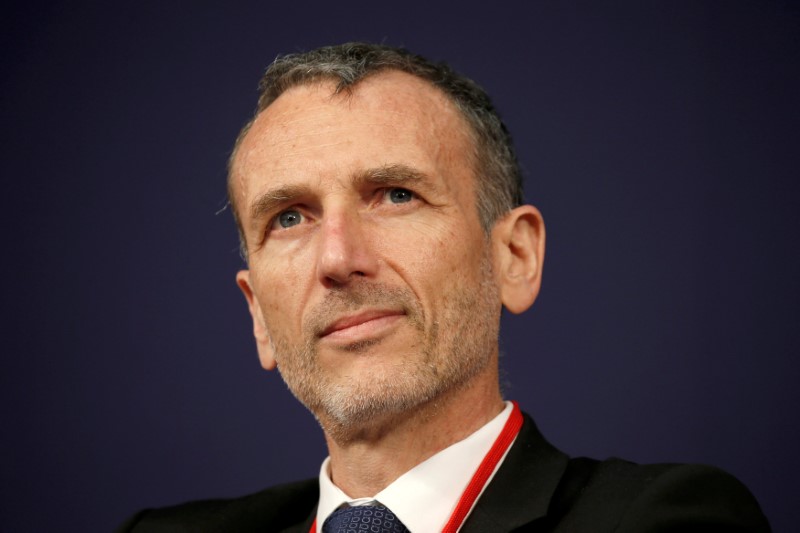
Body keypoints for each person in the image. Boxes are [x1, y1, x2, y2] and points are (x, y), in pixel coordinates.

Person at [117, 42, 770, 532]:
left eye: (395, 195)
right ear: (258, 313)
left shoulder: (665, 519)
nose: (337, 259)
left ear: (514, 255)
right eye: (290, 217)